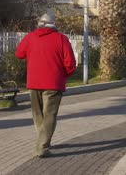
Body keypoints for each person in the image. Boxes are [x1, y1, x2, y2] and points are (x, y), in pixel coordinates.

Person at [15, 11, 76, 158]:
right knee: (50, 115)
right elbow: (70, 64)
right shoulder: (61, 39)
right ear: (54, 25)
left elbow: (19, 54)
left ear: (39, 24)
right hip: (53, 83)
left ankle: (43, 140)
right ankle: (42, 146)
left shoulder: (30, 37)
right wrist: (63, 75)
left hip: (34, 82)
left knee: (38, 114)